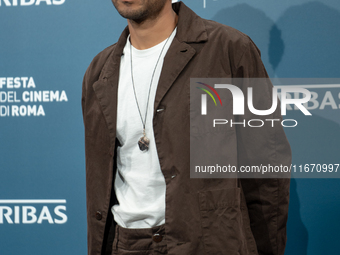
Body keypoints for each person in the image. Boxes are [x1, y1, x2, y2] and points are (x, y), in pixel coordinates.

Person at [82, 1, 291, 254]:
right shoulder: (98, 72)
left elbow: (266, 170)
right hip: (125, 243)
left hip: (208, 242)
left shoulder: (229, 49)